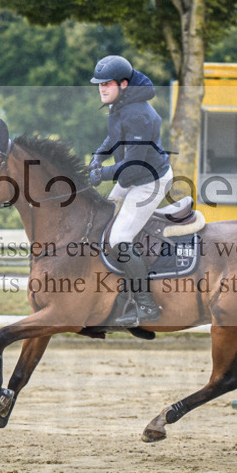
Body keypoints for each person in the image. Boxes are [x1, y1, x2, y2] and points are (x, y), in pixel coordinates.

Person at [87, 55, 172, 327]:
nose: (101, 89)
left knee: (119, 238)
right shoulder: (121, 103)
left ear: (124, 84)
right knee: (100, 220)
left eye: (107, 84)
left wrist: (103, 174)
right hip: (133, 174)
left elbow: (133, 168)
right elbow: (113, 139)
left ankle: (146, 306)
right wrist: (98, 157)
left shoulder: (138, 115)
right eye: (99, 84)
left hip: (149, 181)